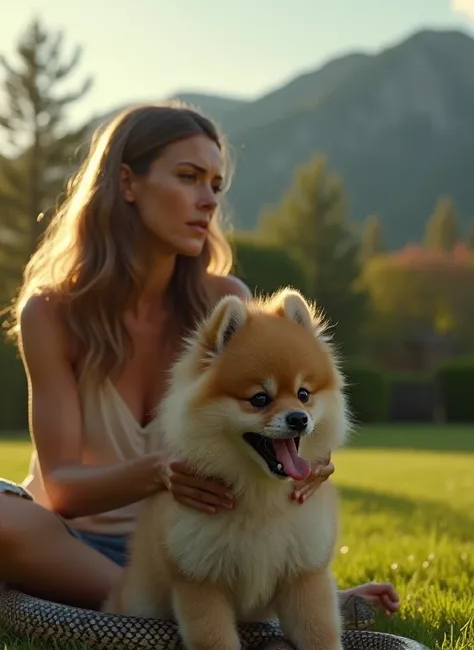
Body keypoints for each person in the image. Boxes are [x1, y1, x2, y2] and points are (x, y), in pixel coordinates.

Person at [0, 102, 399, 619]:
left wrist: (297, 461)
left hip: (193, 543)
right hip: (72, 542)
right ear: (127, 182)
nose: (208, 200)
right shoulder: (51, 312)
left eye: (215, 184)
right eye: (189, 177)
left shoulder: (225, 303)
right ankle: (209, 612)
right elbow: (61, 489)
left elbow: (264, 423)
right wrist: (160, 471)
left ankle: (203, 606)